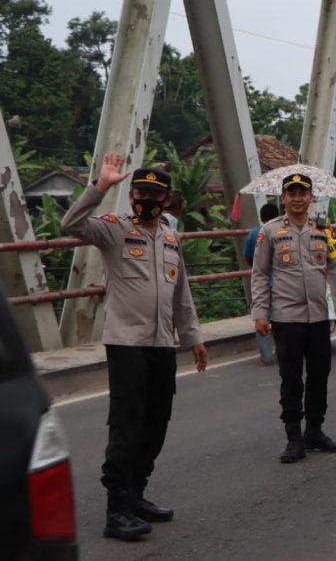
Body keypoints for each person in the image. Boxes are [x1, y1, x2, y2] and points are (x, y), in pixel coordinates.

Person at [60, 152, 208, 542]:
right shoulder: (115, 230)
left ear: (166, 199)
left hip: (162, 343)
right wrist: (101, 185)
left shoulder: (172, 238)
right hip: (126, 343)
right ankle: (116, 509)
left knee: (157, 420)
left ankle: (137, 494)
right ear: (131, 197)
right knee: (126, 424)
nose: (145, 198)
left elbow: (182, 296)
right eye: (139, 191)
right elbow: (71, 223)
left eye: (153, 194)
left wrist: (192, 337)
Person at [250, 173, 336, 463]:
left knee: (320, 375)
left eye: (302, 193)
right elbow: (259, 274)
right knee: (291, 378)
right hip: (286, 318)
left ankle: (315, 431)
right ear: (282, 198)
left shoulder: (324, 230)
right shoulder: (269, 231)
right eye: (291, 193)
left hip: (319, 316)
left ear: (312, 197)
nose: (297, 198)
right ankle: (293, 437)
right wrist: (260, 313)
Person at [244, 202, 280, 366]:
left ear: (262, 217)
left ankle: (266, 358)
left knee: (262, 317)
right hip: (282, 283)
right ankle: (285, 349)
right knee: (283, 318)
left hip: (262, 283)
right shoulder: (284, 231)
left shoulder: (254, 233)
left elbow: (248, 258)